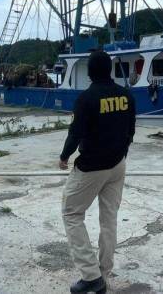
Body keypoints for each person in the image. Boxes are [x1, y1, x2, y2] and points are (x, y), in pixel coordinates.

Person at [59, 51, 136, 294]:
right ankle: (103, 273)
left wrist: (64, 156)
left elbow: (76, 133)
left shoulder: (87, 98)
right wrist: (121, 153)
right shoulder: (126, 96)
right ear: (110, 71)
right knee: (109, 218)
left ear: (90, 72)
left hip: (92, 167)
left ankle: (91, 277)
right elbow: (131, 131)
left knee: (71, 213)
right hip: (117, 165)